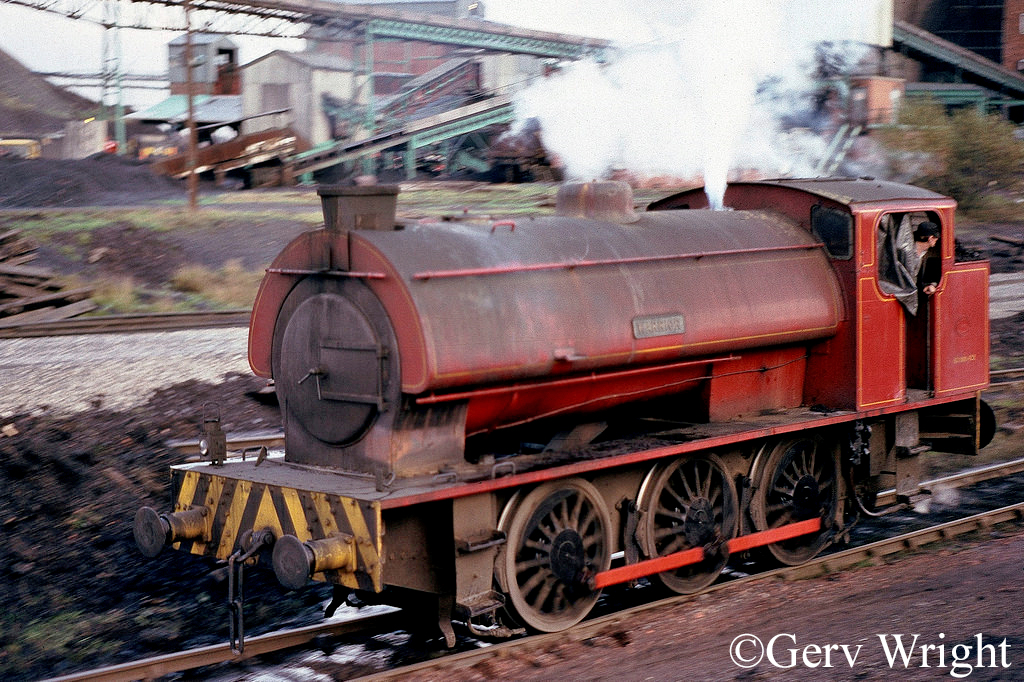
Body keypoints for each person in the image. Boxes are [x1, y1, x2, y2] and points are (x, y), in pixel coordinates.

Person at [909, 221, 940, 296]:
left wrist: (931, 285)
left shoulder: (928, 253)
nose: (937, 239)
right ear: (930, 238)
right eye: (936, 237)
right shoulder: (908, 252)